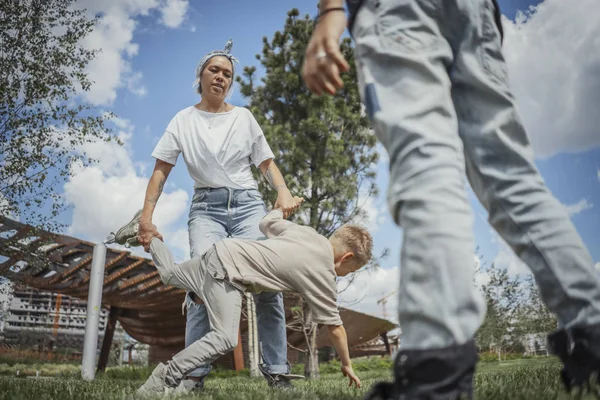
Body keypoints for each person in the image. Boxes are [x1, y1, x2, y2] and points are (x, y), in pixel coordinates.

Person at [302, 1, 600, 399]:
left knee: (427, 165)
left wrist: (330, 12)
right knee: (511, 176)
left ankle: (436, 369)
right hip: (476, 13)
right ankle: (591, 327)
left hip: (400, 10)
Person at [121, 39, 300, 391]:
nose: (220, 77)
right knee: (203, 287)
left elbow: (265, 163)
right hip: (207, 210)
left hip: (248, 205)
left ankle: (277, 372)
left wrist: (282, 189)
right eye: (214, 70)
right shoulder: (183, 120)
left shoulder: (244, 117)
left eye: (227, 74)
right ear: (200, 77)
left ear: (231, 83)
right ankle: (193, 376)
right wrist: (146, 218)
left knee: (267, 287)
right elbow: (161, 171)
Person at [114, 201, 371, 396]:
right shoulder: (323, 271)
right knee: (225, 337)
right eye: (352, 270)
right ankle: (163, 379)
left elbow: (266, 223)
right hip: (227, 272)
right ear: (346, 258)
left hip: (220, 252)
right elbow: (336, 327)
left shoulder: (307, 233)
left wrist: (280, 209)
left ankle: (142, 231)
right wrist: (347, 364)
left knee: (170, 274)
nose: (345, 274)